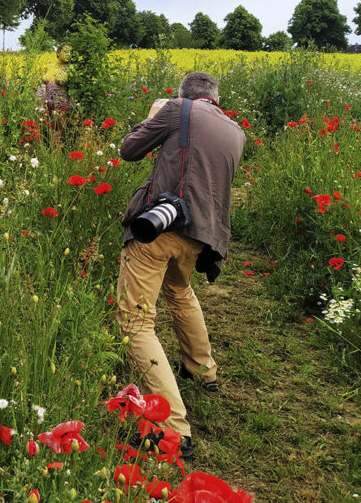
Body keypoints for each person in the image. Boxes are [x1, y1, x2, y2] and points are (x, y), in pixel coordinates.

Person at [115, 71, 244, 459]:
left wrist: (155, 113)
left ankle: (171, 430)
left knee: (135, 320)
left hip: (161, 226)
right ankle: (201, 369)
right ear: (215, 99)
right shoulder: (236, 131)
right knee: (178, 290)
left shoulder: (176, 109)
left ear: (183, 95)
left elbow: (129, 149)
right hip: (201, 235)